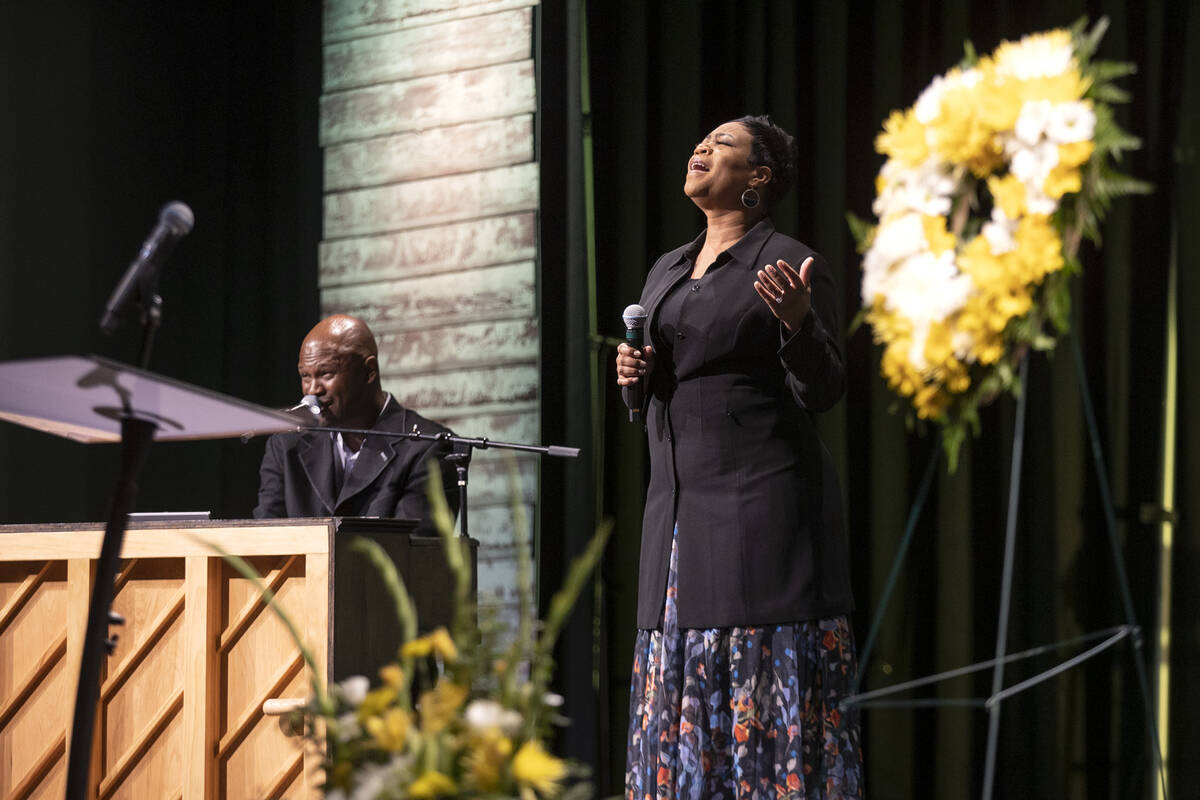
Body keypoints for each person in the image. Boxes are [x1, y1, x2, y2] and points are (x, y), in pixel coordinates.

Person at [615, 115, 862, 798]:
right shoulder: (668, 265)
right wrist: (634, 369)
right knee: (679, 677)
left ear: (759, 179)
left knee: (754, 675)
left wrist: (798, 325)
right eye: (700, 141)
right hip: (676, 509)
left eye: (721, 145)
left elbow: (826, 389)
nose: (699, 148)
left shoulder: (786, 262)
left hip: (760, 508)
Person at [253, 314, 459, 534]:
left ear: (369, 371)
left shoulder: (425, 447)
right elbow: (266, 543)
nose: (313, 390)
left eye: (325, 373)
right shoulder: (286, 445)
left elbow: (411, 553)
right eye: (305, 376)